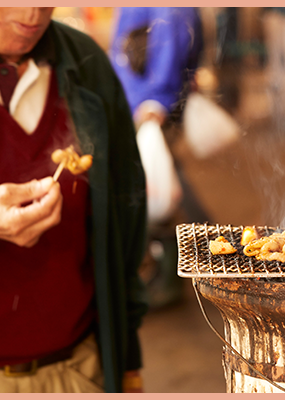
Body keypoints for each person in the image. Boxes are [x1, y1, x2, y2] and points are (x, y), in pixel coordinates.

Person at [0, 7, 148, 393]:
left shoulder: (85, 61)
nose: (33, 13)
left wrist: (127, 363)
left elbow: (126, 223)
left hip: (81, 371)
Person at [109, 7, 207, 308]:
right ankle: (176, 266)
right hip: (139, 103)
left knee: (158, 189)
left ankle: (172, 277)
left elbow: (170, 43)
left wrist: (156, 101)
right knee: (162, 180)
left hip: (150, 107)